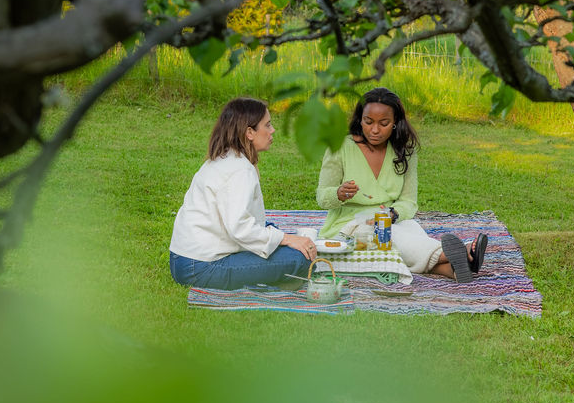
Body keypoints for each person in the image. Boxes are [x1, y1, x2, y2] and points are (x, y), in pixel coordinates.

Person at [316, 87, 487, 283]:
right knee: (392, 236)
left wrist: (393, 214)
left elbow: (408, 202)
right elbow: (322, 197)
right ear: (359, 119)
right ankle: (460, 254)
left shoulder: (405, 151)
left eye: (384, 123)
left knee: (410, 229)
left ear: (396, 123)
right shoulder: (339, 148)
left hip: (388, 219)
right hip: (350, 226)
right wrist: (338, 193)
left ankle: (452, 270)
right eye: (368, 122)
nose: (374, 130)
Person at [169, 97, 315, 290]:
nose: (272, 131)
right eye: (268, 125)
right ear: (249, 133)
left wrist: (280, 237)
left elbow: (243, 222)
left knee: (276, 234)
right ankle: (281, 282)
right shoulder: (240, 170)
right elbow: (240, 228)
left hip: (184, 259)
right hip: (200, 267)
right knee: (299, 258)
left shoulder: (226, 158)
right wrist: (286, 239)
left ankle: (276, 274)